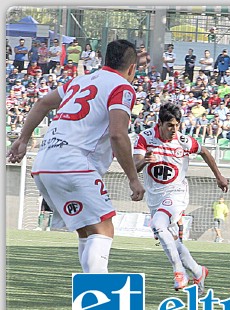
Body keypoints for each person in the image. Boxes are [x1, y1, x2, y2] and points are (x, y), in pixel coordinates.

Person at [7, 39, 145, 273]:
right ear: (132, 68)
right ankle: (98, 295)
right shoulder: (122, 87)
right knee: (104, 230)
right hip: (74, 164)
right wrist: (133, 177)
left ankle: (89, 294)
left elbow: (42, 102)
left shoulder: (78, 81)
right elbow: (118, 135)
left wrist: (23, 139)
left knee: (87, 230)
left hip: (44, 164)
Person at [133, 102, 228, 293]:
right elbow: (134, 167)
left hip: (177, 194)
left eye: (177, 125)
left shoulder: (184, 141)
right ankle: (198, 270)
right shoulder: (145, 138)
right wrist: (144, 161)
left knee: (158, 225)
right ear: (159, 123)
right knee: (171, 238)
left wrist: (219, 176)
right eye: (170, 126)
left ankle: (179, 271)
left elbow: (205, 152)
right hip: (155, 198)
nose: (174, 130)